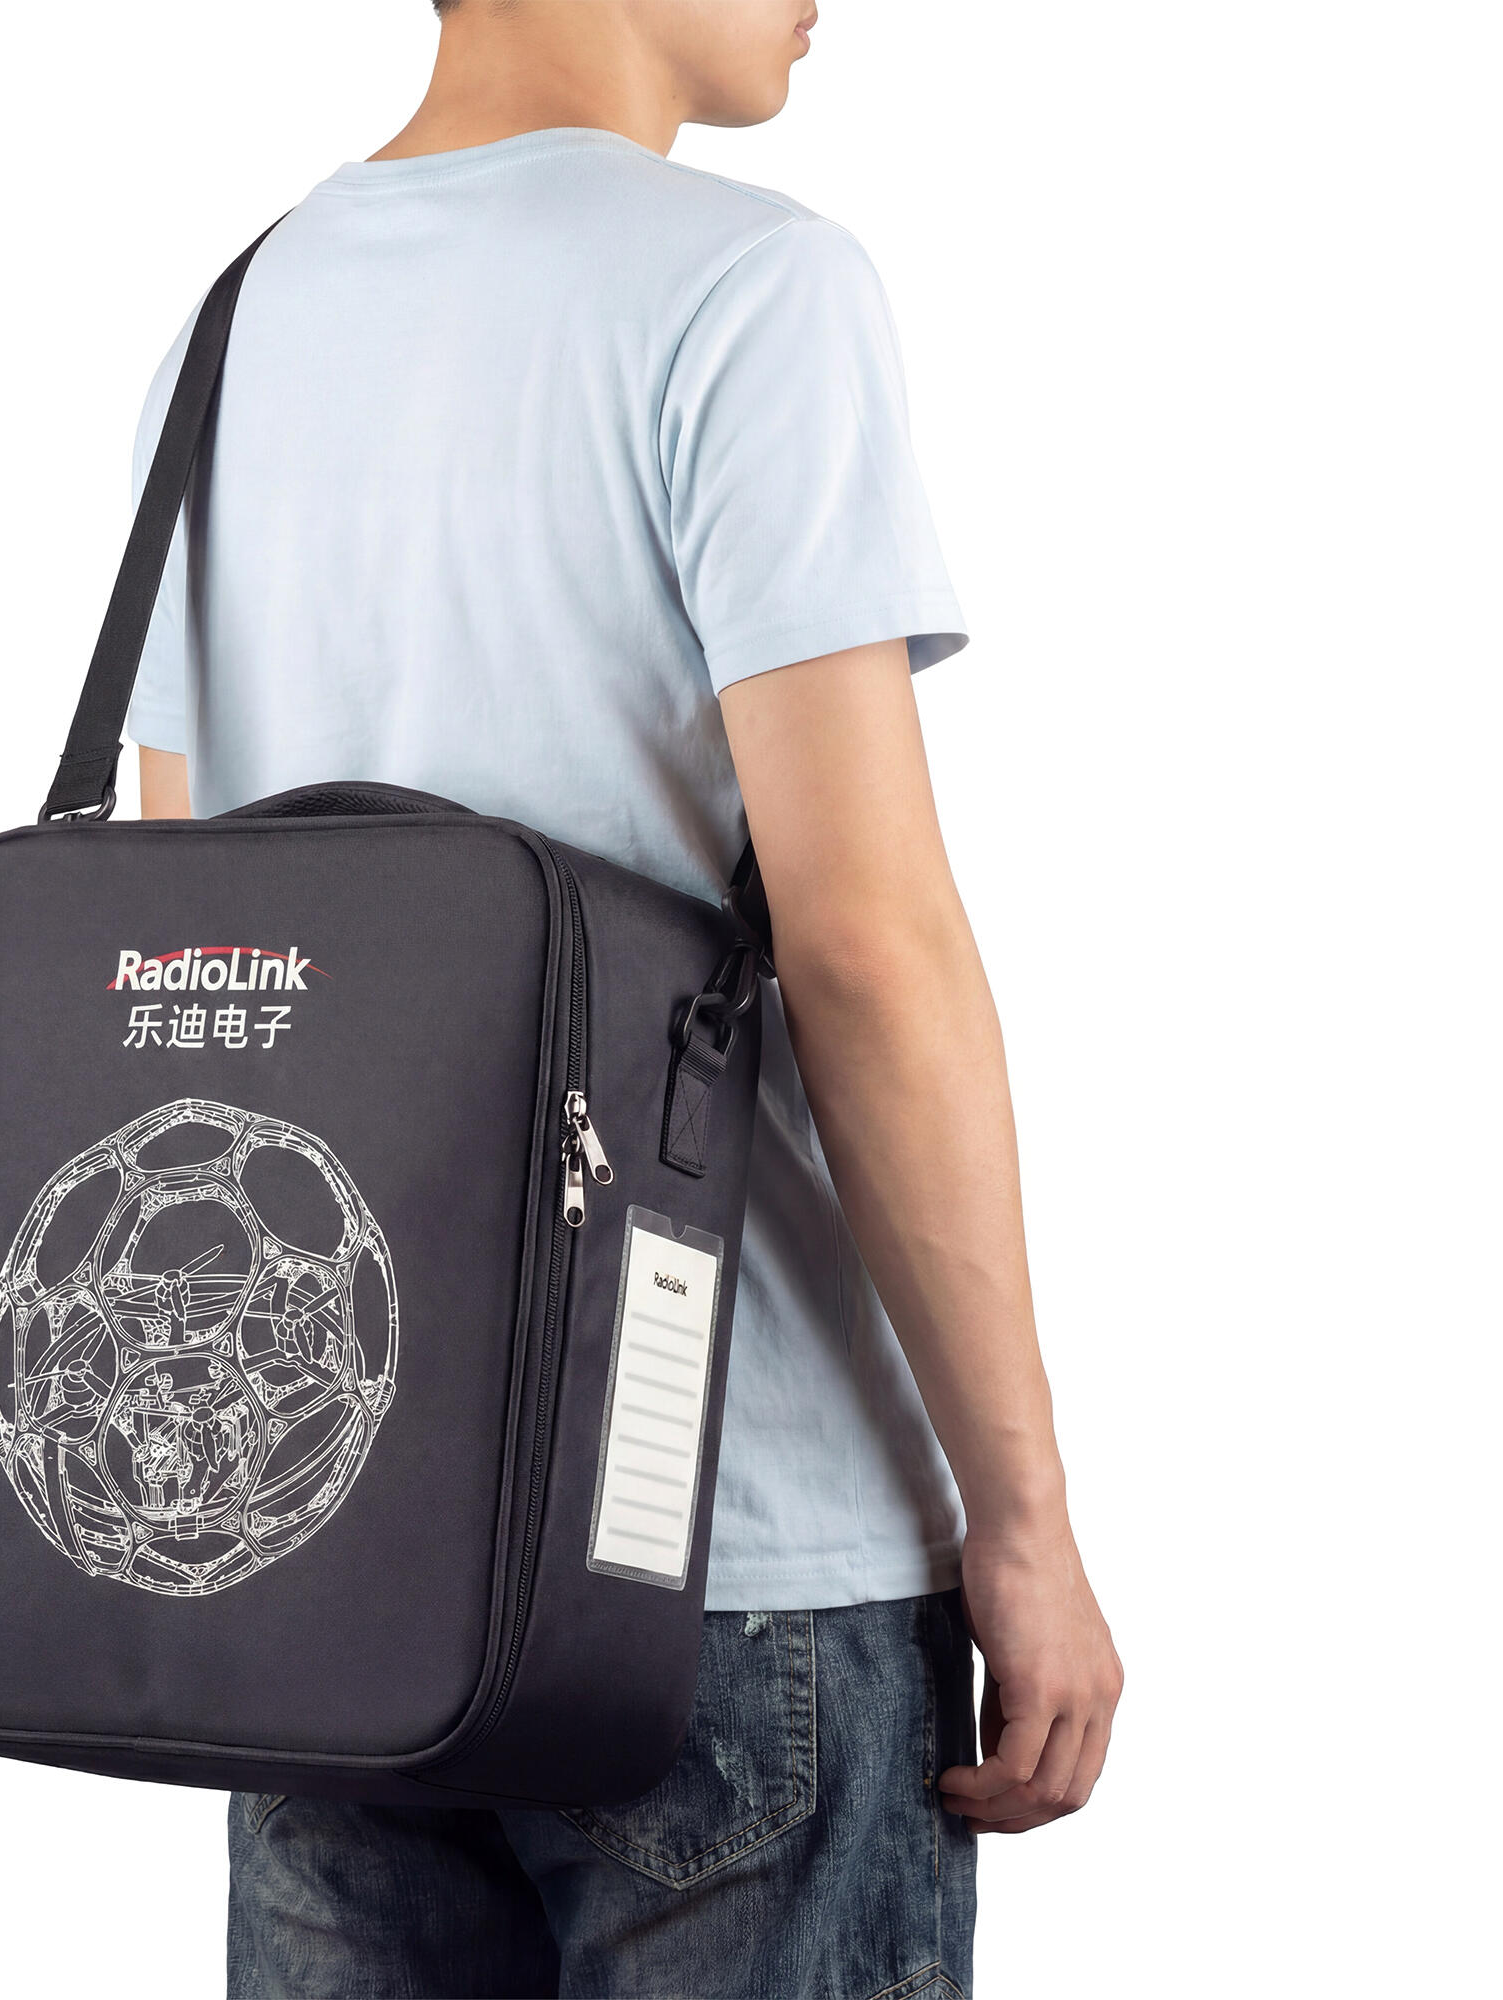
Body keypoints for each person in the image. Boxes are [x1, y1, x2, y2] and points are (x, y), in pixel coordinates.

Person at [128, 3, 1122, 1993]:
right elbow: (866, 943)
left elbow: (201, 937)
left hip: (328, 1543)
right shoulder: (750, 292)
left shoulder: (234, 326)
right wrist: (1023, 1511)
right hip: (734, 1554)